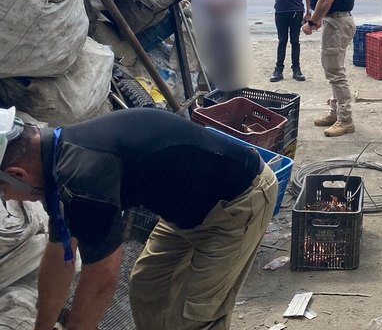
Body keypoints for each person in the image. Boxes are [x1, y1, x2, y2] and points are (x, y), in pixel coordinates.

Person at [0, 107, 277, 330]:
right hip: (188, 209)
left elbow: (101, 278)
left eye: (2, 193)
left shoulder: (83, 181)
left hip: (238, 201)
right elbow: (60, 254)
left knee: (193, 314)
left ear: (16, 175)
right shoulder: (54, 165)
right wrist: (42, 327)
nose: (8, 199)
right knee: (149, 289)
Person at [302, 0, 357, 137]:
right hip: (339, 20)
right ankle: (335, 113)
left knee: (335, 73)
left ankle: (345, 120)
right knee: (335, 71)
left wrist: (312, 22)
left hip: (337, 23)